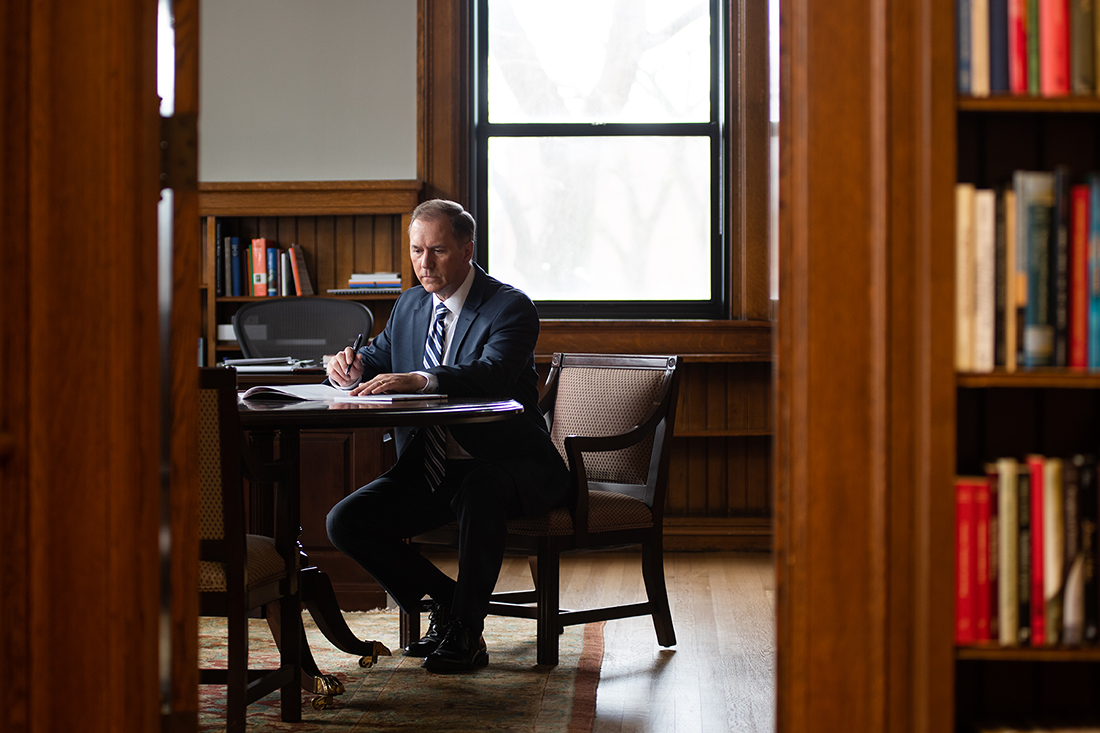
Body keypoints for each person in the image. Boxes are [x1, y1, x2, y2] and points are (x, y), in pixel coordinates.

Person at [325, 199, 570, 673]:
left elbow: (493, 374)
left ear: (466, 250)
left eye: (436, 250)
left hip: (512, 466)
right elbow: (373, 362)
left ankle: (465, 630)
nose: (424, 263)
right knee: (345, 522)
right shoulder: (411, 304)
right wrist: (344, 368)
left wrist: (424, 379)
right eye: (416, 250)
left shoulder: (509, 307)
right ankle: (450, 604)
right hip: (433, 468)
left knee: (480, 490)